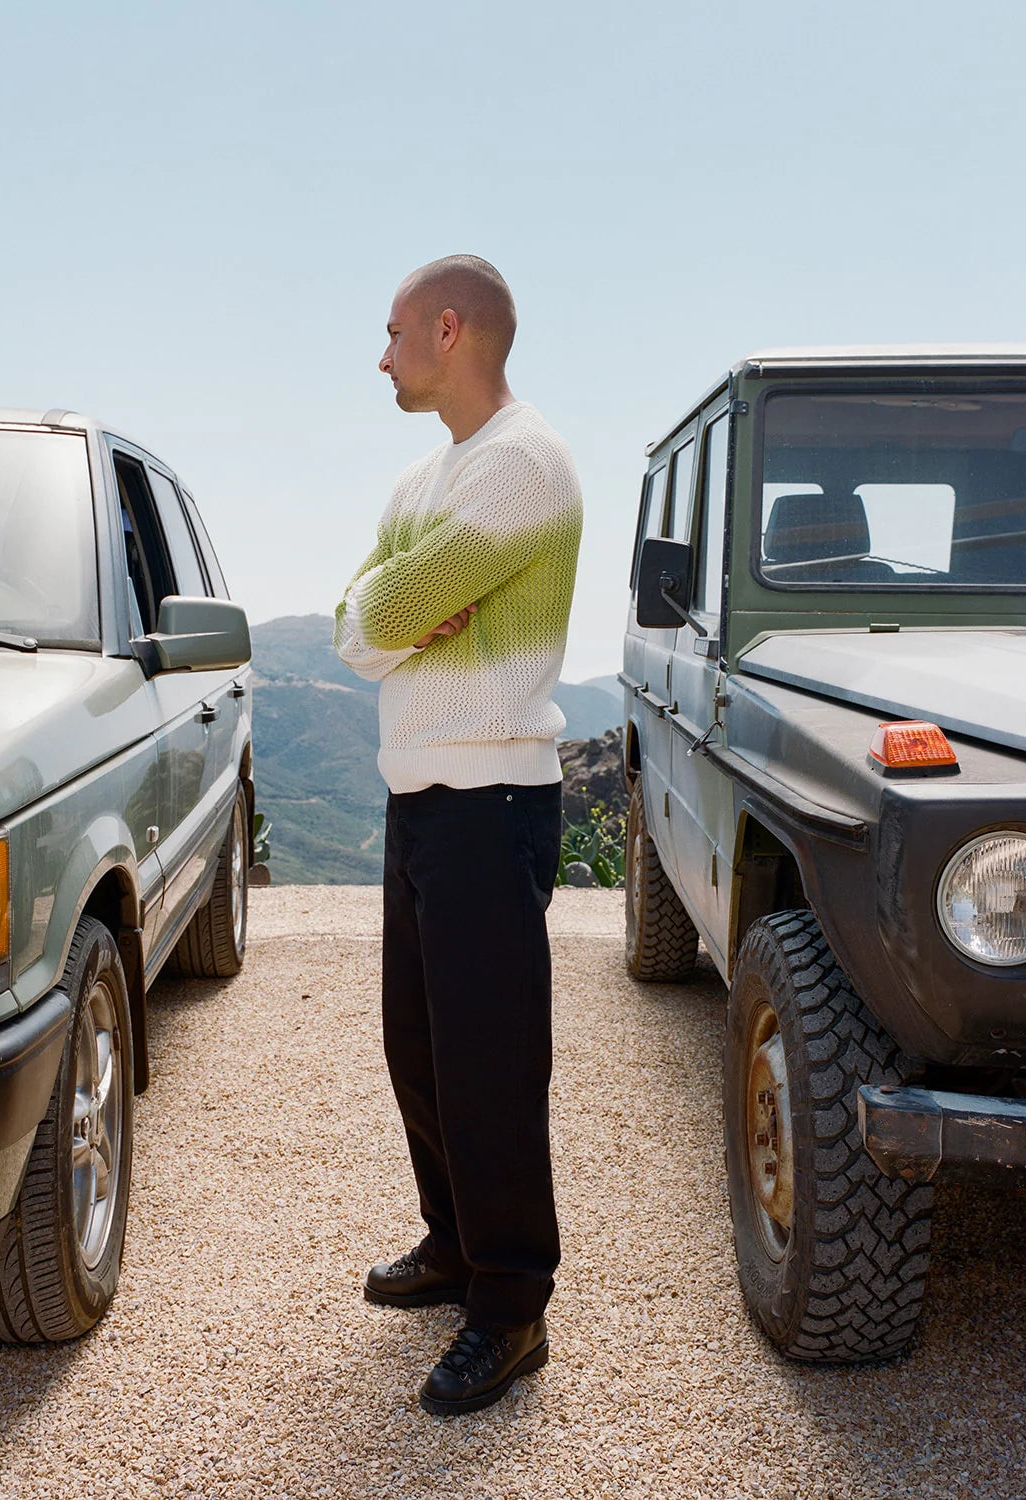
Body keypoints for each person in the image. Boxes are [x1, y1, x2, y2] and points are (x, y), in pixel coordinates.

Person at [333, 254, 583, 1416]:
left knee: (487, 1066)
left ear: (450, 329)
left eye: (392, 333)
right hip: (420, 797)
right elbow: (359, 625)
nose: (380, 357)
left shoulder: (523, 465)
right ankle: (453, 1243)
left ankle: (511, 1305)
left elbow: (381, 610)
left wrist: (398, 613)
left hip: (490, 801)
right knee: (419, 1051)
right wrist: (402, 614)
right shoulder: (422, 482)